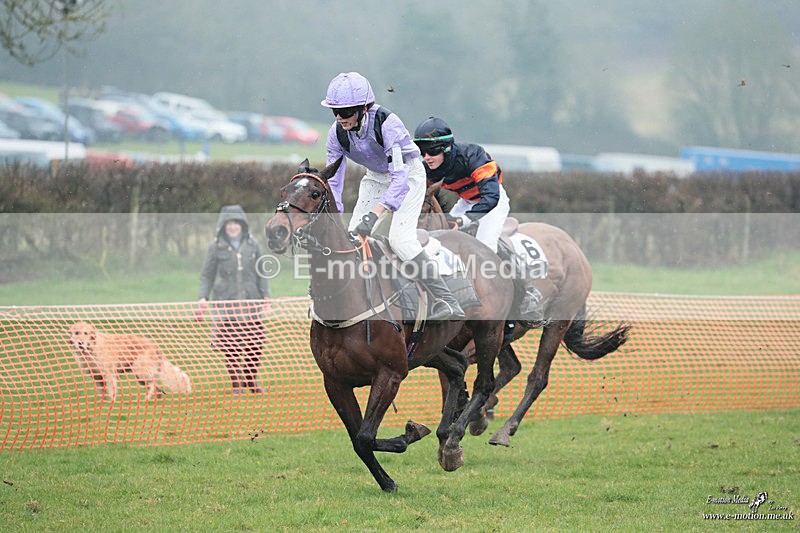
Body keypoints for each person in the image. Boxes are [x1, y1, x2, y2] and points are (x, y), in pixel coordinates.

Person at [320, 71, 464, 321]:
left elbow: (399, 180)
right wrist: (334, 218)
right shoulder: (336, 133)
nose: (339, 118)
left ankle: (446, 299)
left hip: (407, 175)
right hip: (375, 177)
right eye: (335, 112)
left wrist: (374, 215)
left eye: (345, 112)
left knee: (400, 240)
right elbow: (334, 181)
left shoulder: (388, 124)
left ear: (363, 108)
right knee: (353, 240)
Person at [412, 116, 544, 324]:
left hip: (493, 200)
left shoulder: (473, 155)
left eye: (433, 151)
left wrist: (463, 221)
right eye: (422, 152)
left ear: (446, 148)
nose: (427, 157)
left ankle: (528, 293)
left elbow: (491, 197)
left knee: (484, 247)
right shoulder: (428, 168)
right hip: (466, 201)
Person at [197, 205, 270, 393]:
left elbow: (262, 273)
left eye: (236, 223)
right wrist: (203, 298)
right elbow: (207, 275)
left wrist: (266, 296)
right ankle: (236, 384)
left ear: (242, 225)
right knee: (232, 347)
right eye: (229, 223)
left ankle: (250, 379)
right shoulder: (215, 247)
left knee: (255, 344)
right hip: (226, 304)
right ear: (223, 225)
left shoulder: (253, 245)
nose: (233, 227)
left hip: (251, 303)